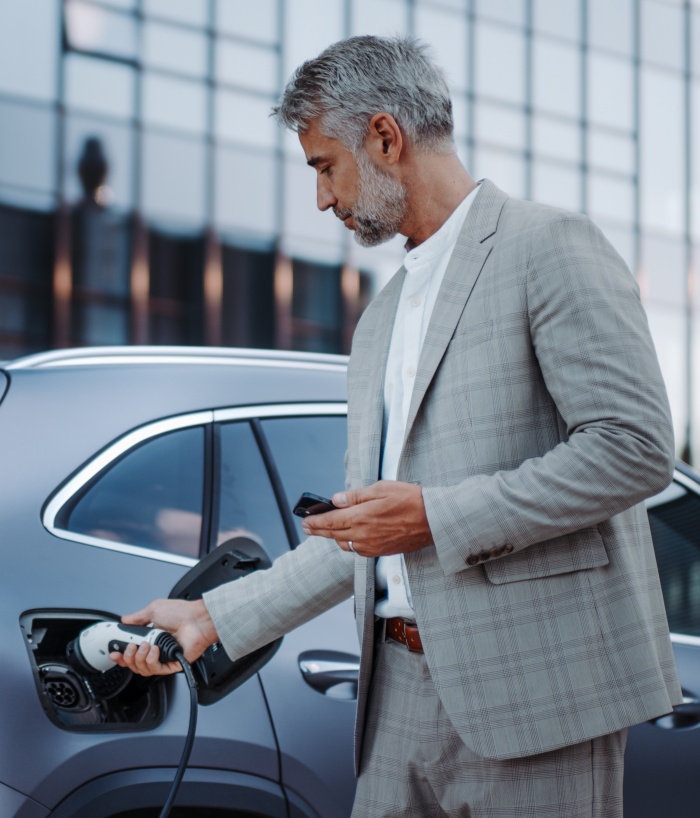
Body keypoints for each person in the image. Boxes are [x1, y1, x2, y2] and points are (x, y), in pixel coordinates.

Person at [113, 36, 681, 817]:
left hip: (536, 697)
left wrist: (434, 515)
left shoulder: (550, 246)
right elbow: (363, 531)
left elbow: (635, 448)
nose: (321, 198)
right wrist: (214, 616)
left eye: (323, 166)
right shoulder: (379, 320)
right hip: (393, 703)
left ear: (385, 136)